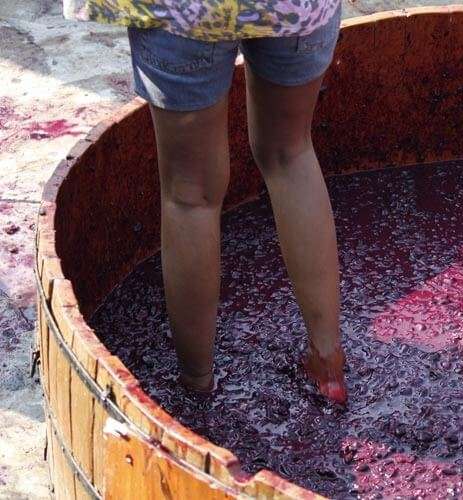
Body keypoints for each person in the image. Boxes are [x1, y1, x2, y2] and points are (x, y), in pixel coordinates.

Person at [63, 0, 348, 403]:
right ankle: (328, 361)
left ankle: (197, 383)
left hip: (185, 13)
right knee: (291, 155)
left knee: (190, 195)